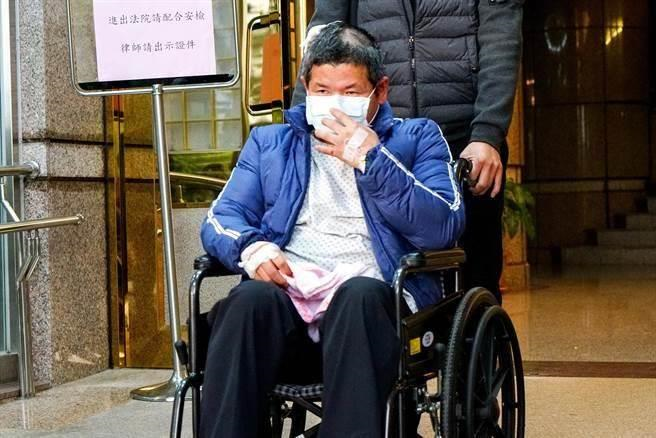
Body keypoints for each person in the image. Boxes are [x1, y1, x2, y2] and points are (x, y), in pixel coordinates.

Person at [199, 22, 465, 438]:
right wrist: (251, 249)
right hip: (291, 298)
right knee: (247, 301)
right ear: (306, 87)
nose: (334, 103)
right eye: (322, 91)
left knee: (357, 296)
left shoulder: (418, 138)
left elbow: (443, 226)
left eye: (350, 92)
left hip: (375, 303)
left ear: (380, 91)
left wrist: (374, 161)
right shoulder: (270, 143)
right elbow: (223, 216)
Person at [292, 0, 525, 302]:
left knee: (474, 270)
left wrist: (488, 133)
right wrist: (298, 131)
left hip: (464, 138)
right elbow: (324, 35)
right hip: (381, 138)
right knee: (379, 261)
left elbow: (500, 39)